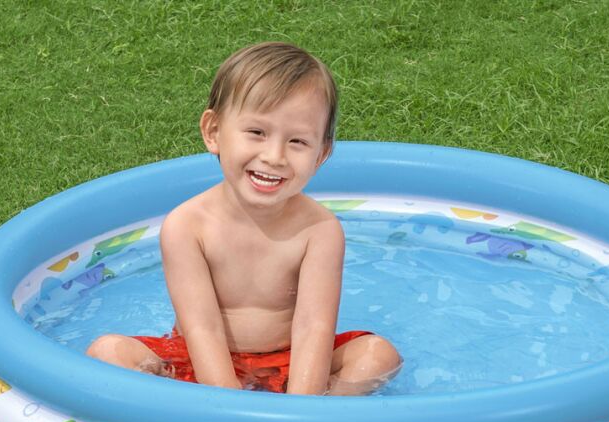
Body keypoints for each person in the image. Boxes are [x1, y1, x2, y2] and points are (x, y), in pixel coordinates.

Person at [86, 42, 402, 396]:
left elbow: (314, 328)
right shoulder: (187, 226)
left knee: (378, 355)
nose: (274, 156)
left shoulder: (319, 230)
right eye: (257, 133)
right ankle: (192, 408)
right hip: (198, 360)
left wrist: (301, 407)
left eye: (297, 141)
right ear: (214, 132)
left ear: (321, 154)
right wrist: (227, 404)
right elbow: (202, 328)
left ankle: (320, 412)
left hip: (290, 362)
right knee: (107, 352)